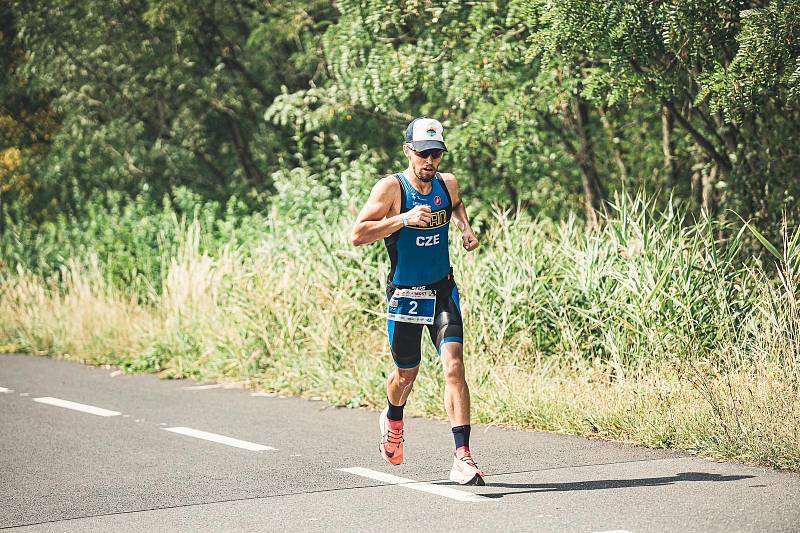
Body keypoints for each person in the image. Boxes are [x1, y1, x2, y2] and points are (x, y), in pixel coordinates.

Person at [350, 117, 484, 485]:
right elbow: (358, 234)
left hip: (442, 289)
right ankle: (393, 416)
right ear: (408, 151)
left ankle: (463, 457)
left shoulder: (446, 183)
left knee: (454, 365)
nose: (430, 161)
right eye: (423, 153)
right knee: (406, 375)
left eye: (436, 154)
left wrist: (465, 229)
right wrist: (404, 219)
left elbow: (455, 205)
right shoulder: (392, 189)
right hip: (406, 294)